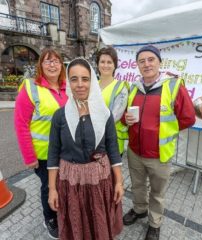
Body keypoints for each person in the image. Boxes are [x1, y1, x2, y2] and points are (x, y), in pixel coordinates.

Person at [122, 45, 196, 240]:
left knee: (157, 192)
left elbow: (188, 118)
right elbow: (124, 115)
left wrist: (164, 129)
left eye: (150, 59)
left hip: (159, 154)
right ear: (137, 65)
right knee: (137, 186)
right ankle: (139, 210)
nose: (146, 64)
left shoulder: (172, 86)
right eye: (142, 61)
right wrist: (125, 119)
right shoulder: (133, 87)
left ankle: (155, 223)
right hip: (135, 151)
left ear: (159, 62)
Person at [47, 58, 124, 240]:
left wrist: (119, 182)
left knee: (98, 222)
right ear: (68, 82)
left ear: (92, 81)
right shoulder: (60, 116)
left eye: (85, 79)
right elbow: (53, 153)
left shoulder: (104, 113)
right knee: (76, 224)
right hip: (71, 182)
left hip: (99, 180)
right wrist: (52, 189)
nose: (80, 85)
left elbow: (113, 149)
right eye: (74, 79)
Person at [14, 48, 67, 239]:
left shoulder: (66, 87)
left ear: (61, 65)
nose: (52, 65)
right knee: (48, 187)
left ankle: (60, 210)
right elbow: (21, 124)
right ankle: (50, 218)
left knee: (62, 185)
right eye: (47, 61)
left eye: (56, 61)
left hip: (65, 152)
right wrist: (29, 157)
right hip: (43, 154)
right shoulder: (30, 87)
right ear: (41, 65)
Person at [96, 47, 129, 155]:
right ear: (97, 64)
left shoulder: (121, 87)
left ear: (115, 65)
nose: (105, 65)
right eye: (102, 62)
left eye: (109, 62)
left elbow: (114, 117)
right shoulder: (92, 85)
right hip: (92, 142)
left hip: (111, 143)